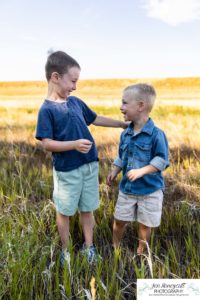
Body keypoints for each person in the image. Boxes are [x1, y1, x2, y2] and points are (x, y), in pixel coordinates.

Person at [35, 51, 127, 266]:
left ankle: (89, 247)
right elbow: (47, 144)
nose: (75, 87)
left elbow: (95, 119)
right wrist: (74, 145)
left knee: (88, 208)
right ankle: (65, 251)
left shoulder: (75, 102)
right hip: (67, 171)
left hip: (89, 167)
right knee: (65, 211)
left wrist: (121, 124)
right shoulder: (46, 110)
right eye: (73, 81)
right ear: (55, 77)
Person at [107, 83, 169, 255]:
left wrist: (142, 171)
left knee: (145, 224)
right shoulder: (125, 133)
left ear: (141, 106)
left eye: (125, 103)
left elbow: (161, 161)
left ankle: (141, 251)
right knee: (119, 220)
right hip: (127, 189)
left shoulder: (157, 134)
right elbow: (122, 156)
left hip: (150, 190)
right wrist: (115, 170)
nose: (121, 107)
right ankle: (116, 249)